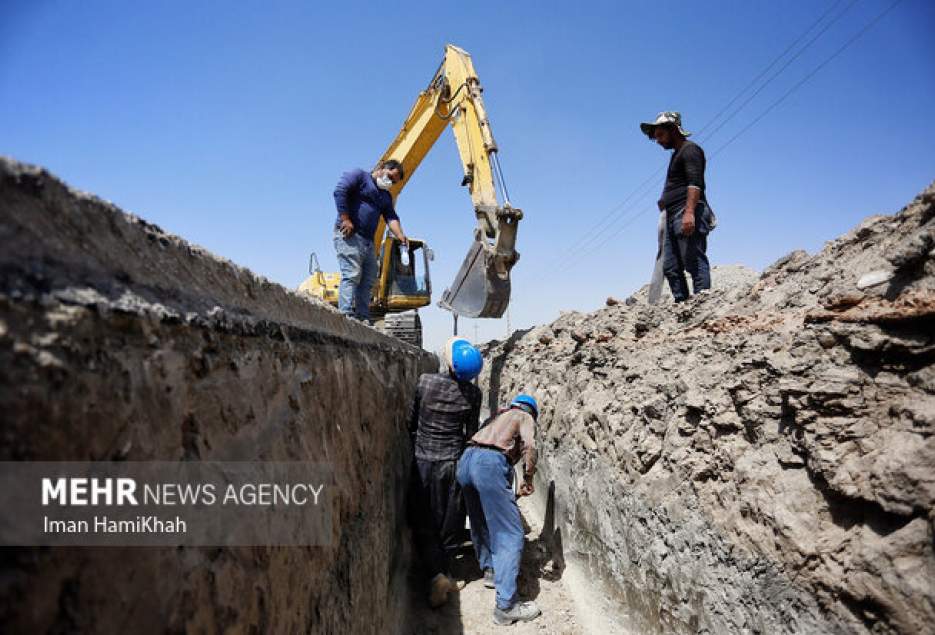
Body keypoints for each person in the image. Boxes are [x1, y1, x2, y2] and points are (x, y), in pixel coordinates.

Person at [408, 337, 483, 608]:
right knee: (451, 520)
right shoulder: (474, 395)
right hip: (452, 463)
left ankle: (434, 574)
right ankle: (448, 572)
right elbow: (471, 434)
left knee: (424, 519)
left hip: (423, 462)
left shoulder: (425, 382)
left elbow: (412, 422)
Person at [457, 394, 541, 626]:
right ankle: (506, 606)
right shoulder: (523, 416)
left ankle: (492, 571)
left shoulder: (498, 415)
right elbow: (530, 446)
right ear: (532, 411)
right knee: (510, 534)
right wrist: (528, 477)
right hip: (489, 464)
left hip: (466, 460)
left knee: (480, 520)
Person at [640, 111, 715, 302]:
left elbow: (694, 183)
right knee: (670, 266)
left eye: (660, 135)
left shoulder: (690, 150)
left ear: (673, 130)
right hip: (673, 214)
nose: (658, 141)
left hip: (686, 211)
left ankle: (702, 303)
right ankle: (682, 306)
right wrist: (665, 200)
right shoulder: (676, 155)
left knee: (693, 260)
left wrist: (689, 212)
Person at [332, 159, 408, 323]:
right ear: (381, 168)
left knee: (368, 280)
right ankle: (345, 314)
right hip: (350, 235)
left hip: (368, 242)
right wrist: (345, 219)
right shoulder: (359, 176)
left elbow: (391, 217)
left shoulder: (385, 196)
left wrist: (400, 235)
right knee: (351, 274)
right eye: (390, 176)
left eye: (393, 182)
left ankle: (362, 317)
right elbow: (340, 191)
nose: (390, 182)